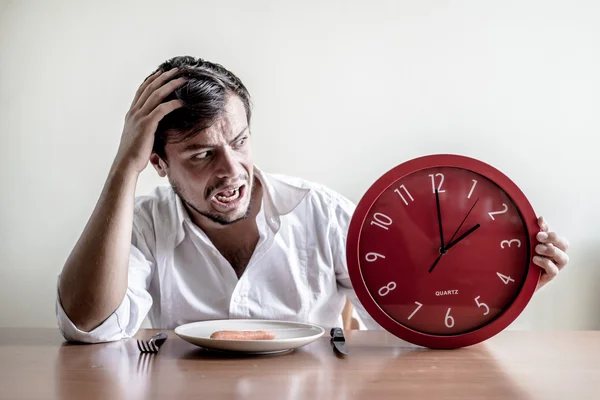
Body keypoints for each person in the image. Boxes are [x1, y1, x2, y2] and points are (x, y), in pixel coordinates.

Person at [55, 56, 570, 343]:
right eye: (200, 155)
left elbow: (413, 312)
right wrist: (124, 167)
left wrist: (508, 282)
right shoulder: (145, 225)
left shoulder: (319, 212)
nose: (231, 169)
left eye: (238, 141)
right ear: (158, 162)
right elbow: (88, 326)